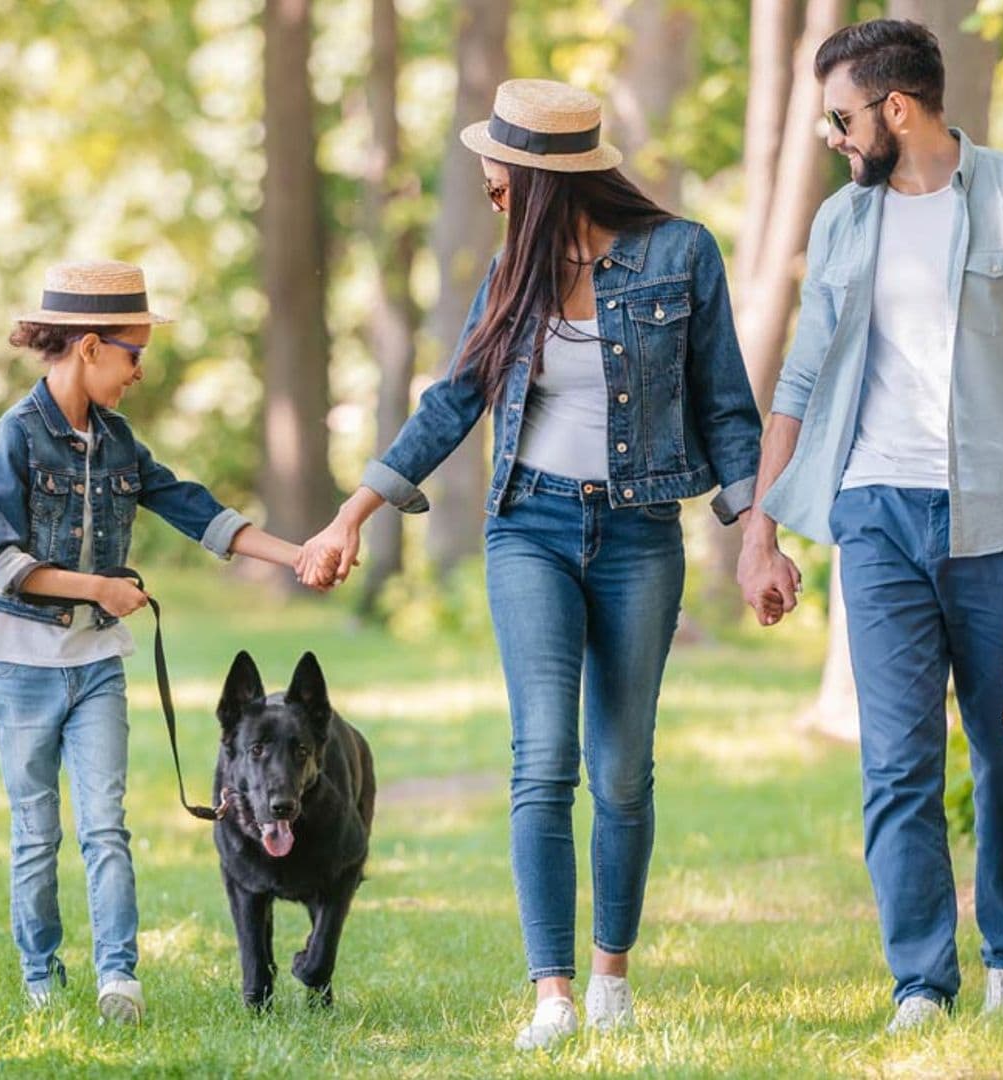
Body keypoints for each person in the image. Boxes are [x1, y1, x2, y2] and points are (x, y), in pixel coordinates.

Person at [298, 79, 763, 1049]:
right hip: (531, 530)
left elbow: (726, 408)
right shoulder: (513, 270)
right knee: (543, 759)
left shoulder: (681, 255)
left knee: (623, 772)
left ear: (546, 180)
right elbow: (452, 401)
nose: (490, 190)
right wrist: (353, 513)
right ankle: (552, 995)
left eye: (500, 178)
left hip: (640, 535)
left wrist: (756, 532)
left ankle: (610, 981)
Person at [735, 20, 1003, 1031]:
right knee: (895, 762)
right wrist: (763, 526)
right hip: (874, 513)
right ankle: (921, 984)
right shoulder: (844, 225)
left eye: (840, 117)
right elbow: (799, 380)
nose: (831, 137)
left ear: (898, 108)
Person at [0, 260, 318, 1023]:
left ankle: (117, 979)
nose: (138, 372)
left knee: (106, 826)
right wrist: (99, 588)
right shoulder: (17, 438)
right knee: (36, 834)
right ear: (90, 346)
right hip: (21, 665)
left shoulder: (121, 444)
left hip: (95, 665)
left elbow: (199, 512)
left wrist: (295, 555)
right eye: (134, 354)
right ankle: (40, 977)